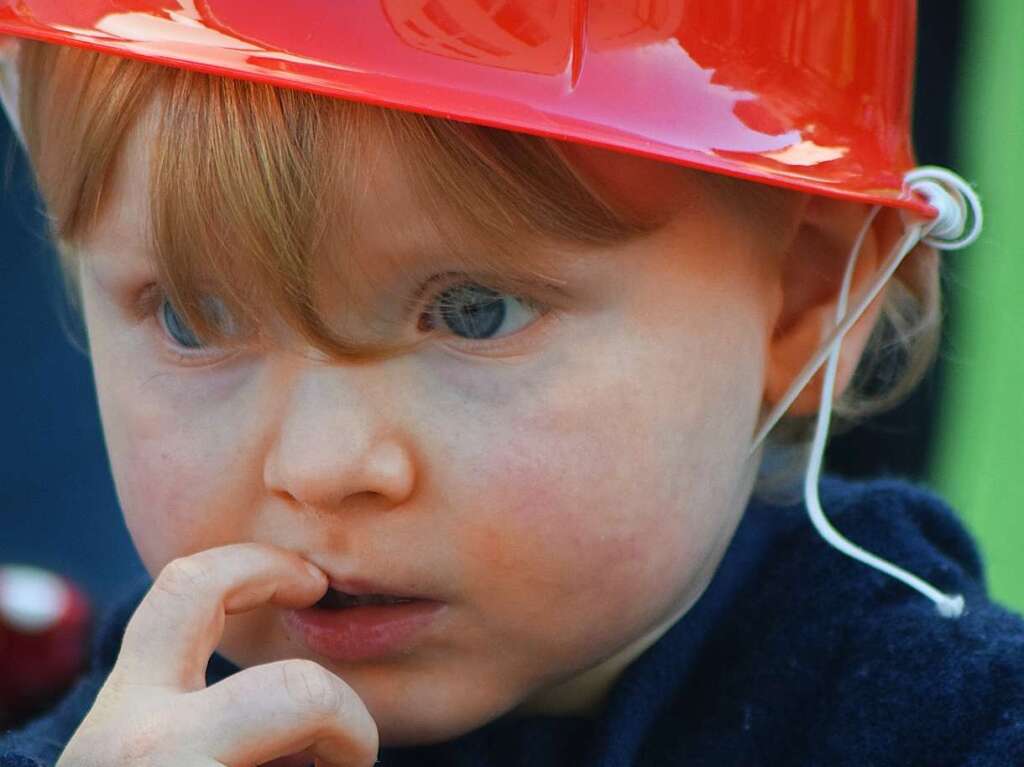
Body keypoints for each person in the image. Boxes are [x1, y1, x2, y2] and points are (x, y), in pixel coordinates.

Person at [0, 2, 1021, 765]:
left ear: (804, 303)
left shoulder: (948, 721)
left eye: (474, 309)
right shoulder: (129, 724)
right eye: (195, 316)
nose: (320, 466)